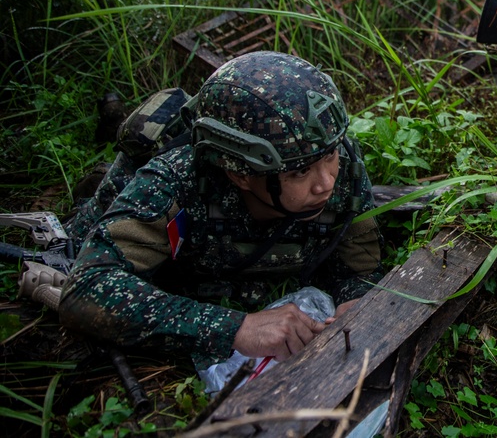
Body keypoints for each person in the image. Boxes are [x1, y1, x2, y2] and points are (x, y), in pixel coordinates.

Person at [60, 51, 384, 371]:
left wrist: (355, 303)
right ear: (241, 174)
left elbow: (359, 268)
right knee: (75, 235)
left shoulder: (335, 161)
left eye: (330, 156)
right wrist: (235, 328)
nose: (326, 182)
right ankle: (104, 162)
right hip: (145, 184)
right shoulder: (177, 182)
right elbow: (86, 289)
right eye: (299, 172)